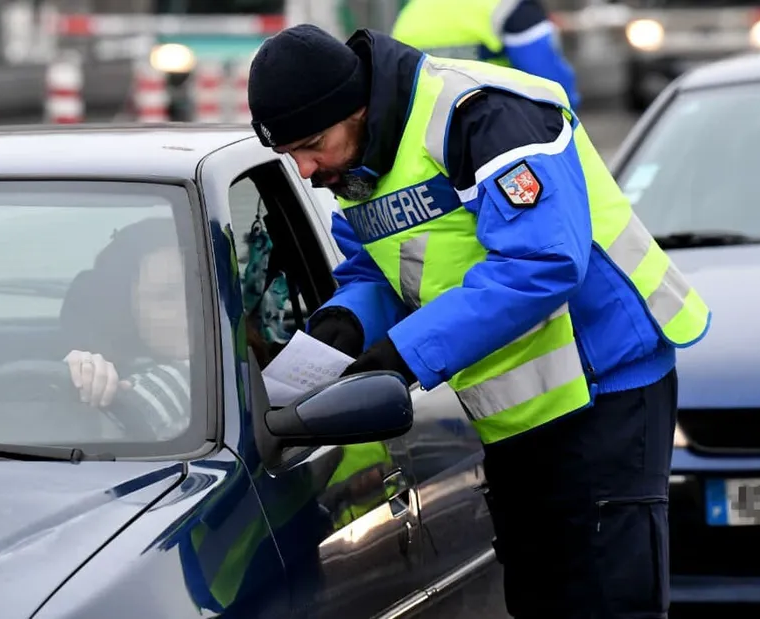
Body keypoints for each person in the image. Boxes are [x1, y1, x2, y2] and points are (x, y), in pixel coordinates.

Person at [245, 24, 711, 619]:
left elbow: (543, 262)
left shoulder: (480, 114)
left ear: (356, 107)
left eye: (312, 144)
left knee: (606, 601)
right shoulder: (355, 155)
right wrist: (344, 326)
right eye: (290, 155)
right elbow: (378, 270)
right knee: (540, 598)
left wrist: (403, 355)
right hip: (517, 407)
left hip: (607, 379)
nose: (306, 170)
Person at [60, 217, 192, 440]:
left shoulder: (192, 378)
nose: (190, 307)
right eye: (167, 296)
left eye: (199, 291)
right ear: (125, 311)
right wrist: (80, 379)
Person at [391, 0, 581, 110]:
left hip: (424, 134)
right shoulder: (510, 6)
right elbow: (552, 85)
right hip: (496, 130)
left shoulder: (412, 10)